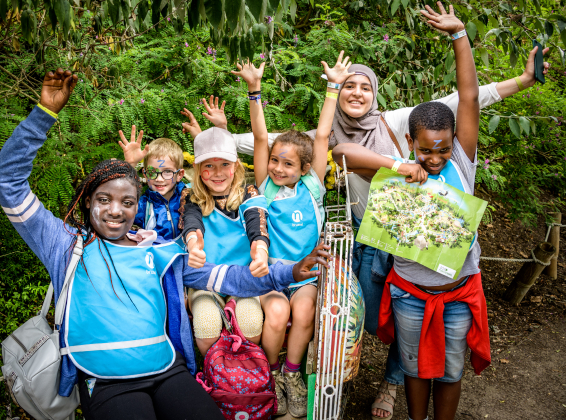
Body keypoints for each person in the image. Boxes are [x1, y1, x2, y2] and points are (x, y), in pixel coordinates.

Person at [225, 36, 550, 420]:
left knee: (429, 347)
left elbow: (464, 100)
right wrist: (215, 141)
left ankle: (390, 384)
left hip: (427, 258)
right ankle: (339, 386)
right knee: (364, 322)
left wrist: (524, 80)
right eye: (349, 85)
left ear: (376, 94)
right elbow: (264, 142)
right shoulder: (318, 141)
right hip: (373, 239)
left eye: (366, 86)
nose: (357, 92)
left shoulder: (399, 123)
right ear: (338, 90)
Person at [0, 67, 332, 420]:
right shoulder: (65, 247)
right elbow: (7, 182)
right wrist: (43, 114)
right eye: (104, 199)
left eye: (126, 202)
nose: (114, 211)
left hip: (167, 370)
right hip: (106, 380)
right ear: (87, 200)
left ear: (138, 206)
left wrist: (289, 271)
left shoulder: (161, 251)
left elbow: (228, 278)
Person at [333, 4, 489, 420]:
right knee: (416, 368)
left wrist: (459, 35)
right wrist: (399, 165)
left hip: (458, 291)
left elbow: (469, 95)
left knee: (451, 370)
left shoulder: (461, 161)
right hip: (409, 291)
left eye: (442, 147)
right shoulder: (402, 169)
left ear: (455, 140)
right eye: (425, 149)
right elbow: (341, 151)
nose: (435, 158)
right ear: (409, 140)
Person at [229, 53, 353, 417]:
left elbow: (325, 134)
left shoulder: (313, 188)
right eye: (275, 160)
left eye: (288, 164)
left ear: (303, 168)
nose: (279, 167)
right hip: (270, 275)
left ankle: (292, 373)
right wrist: (254, 90)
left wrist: (333, 87)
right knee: (279, 313)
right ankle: (267, 373)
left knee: (303, 311)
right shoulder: (265, 187)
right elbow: (260, 135)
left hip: (306, 275)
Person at [179, 126, 271, 355]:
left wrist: (260, 252)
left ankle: (246, 370)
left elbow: (256, 224)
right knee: (206, 323)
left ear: (236, 165)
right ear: (198, 170)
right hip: (205, 279)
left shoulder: (249, 192)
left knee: (251, 322)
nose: (218, 172)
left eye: (224, 165)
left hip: (243, 277)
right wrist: (193, 246)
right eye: (209, 166)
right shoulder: (191, 195)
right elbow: (192, 224)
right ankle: (215, 370)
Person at [118, 128, 185, 242]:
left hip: (185, 257)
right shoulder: (143, 205)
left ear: (179, 174)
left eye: (167, 171)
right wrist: (130, 165)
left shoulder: (188, 198)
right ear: (144, 173)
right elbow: (119, 206)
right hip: (154, 257)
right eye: (152, 172)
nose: (159, 179)